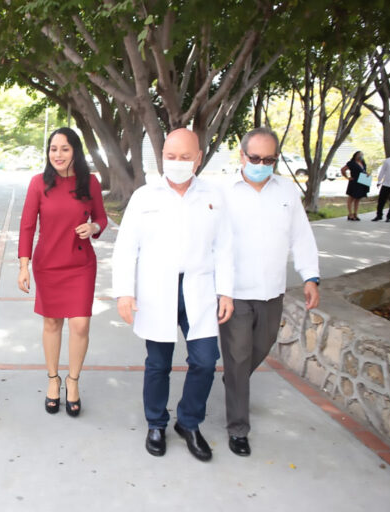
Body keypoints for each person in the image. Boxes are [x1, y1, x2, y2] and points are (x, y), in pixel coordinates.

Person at [112, 128, 234, 462]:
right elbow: (126, 249)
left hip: (200, 289)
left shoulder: (213, 195)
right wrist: (124, 292)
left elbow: (224, 247)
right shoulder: (145, 197)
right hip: (157, 290)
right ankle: (156, 423)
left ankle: (189, 422)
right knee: (158, 363)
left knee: (205, 361)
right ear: (162, 156)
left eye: (184, 157)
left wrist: (226, 291)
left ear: (198, 157)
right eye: (170, 156)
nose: (177, 163)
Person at [220, 126, 320, 456]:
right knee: (237, 355)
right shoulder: (223, 192)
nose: (262, 164)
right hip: (233, 292)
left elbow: (301, 237)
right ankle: (238, 427)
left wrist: (310, 277)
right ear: (242, 155)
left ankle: (235, 380)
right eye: (255, 158)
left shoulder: (287, 192)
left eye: (269, 159)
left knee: (261, 346)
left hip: (272, 291)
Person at [17, 127, 107, 417]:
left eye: (64, 149)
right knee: (53, 323)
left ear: (75, 152)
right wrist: (23, 265)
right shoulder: (37, 184)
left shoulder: (90, 182)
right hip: (48, 264)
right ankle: (54, 380)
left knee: (80, 324)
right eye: (53, 149)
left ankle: (73, 380)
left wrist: (94, 227)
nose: (58, 154)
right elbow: (27, 226)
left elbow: (101, 217)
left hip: (81, 264)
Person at [340, 151, 369, 221]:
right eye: (359, 155)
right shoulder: (351, 163)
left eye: (362, 155)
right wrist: (347, 177)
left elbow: (363, 171)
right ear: (355, 155)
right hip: (354, 181)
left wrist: (367, 174)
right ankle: (350, 214)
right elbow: (343, 169)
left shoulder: (363, 163)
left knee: (358, 198)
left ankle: (356, 213)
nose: (361, 156)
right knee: (351, 198)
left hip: (362, 181)